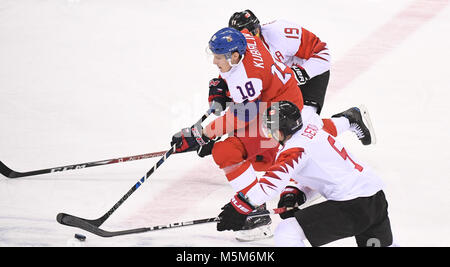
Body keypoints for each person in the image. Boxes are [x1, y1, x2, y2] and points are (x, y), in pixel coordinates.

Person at [216, 101, 395, 247]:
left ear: (279, 131)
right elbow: (322, 173)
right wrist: (293, 194)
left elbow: (271, 183)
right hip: (375, 200)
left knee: (286, 232)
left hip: (352, 207)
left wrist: (240, 206)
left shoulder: (295, 149)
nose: (267, 133)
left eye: (268, 128)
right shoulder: (314, 132)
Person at [228, 9, 375, 145]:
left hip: (309, 76)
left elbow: (323, 53)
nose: (251, 41)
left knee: (300, 130)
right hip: (282, 87)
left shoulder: (280, 32)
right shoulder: (235, 54)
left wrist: (301, 73)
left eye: (254, 33)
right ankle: (350, 119)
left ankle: (349, 120)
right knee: (276, 131)